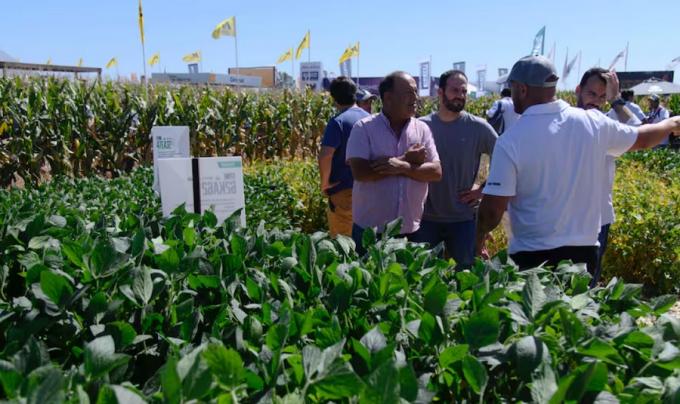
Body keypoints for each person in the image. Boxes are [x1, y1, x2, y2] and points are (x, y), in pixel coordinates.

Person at [475, 55, 680, 276]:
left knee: (535, 309)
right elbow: (643, 138)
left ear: (522, 89)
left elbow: (492, 211)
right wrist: (672, 123)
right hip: (584, 254)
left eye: (512, 87)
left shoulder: (511, 140)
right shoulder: (593, 123)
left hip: (531, 256)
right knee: (577, 309)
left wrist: (477, 241)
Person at [346, 71, 442, 252]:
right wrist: (406, 159)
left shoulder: (421, 129)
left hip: (411, 231)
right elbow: (360, 173)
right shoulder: (364, 128)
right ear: (388, 98)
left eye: (415, 92)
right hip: (370, 232)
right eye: (409, 93)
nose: (415, 98)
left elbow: (436, 172)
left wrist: (403, 166)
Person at [411, 70, 497, 268]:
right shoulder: (421, 126)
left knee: (465, 276)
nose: (460, 95)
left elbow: (505, 160)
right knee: (422, 278)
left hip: (463, 220)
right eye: (455, 90)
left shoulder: (478, 128)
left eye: (464, 91)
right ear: (440, 92)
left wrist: (483, 189)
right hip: (424, 219)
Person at [575, 67, 641, 286]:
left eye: (602, 96)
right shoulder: (563, 122)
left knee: (588, 284)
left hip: (598, 218)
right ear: (578, 91)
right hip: (565, 216)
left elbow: (637, 129)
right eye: (591, 94)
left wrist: (616, 101)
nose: (595, 101)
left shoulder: (607, 125)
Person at [318, 77, 370, 237]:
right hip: (370, 189)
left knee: (343, 244)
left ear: (334, 98)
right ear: (355, 94)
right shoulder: (370, 119)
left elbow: (326, 155)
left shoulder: (338, 122)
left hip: (344, 190)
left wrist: (325, 183)